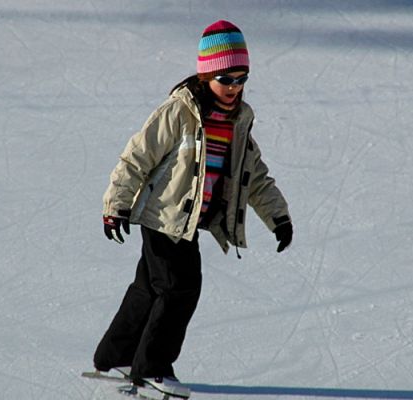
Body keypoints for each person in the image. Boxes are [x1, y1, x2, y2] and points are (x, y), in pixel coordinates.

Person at [92, 20, 293, 398]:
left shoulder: (238, 122)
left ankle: (114, 356)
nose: (234, 87)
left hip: (188, 222)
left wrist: (278, 216)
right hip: (164, 218)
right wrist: (116, 205)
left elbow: (256, 176)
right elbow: (136, 157)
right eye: (226, 78)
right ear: (206, 75)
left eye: (241, 78)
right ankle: (151, 368)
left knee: (149, 289)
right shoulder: (180, 112)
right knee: (180, 288)